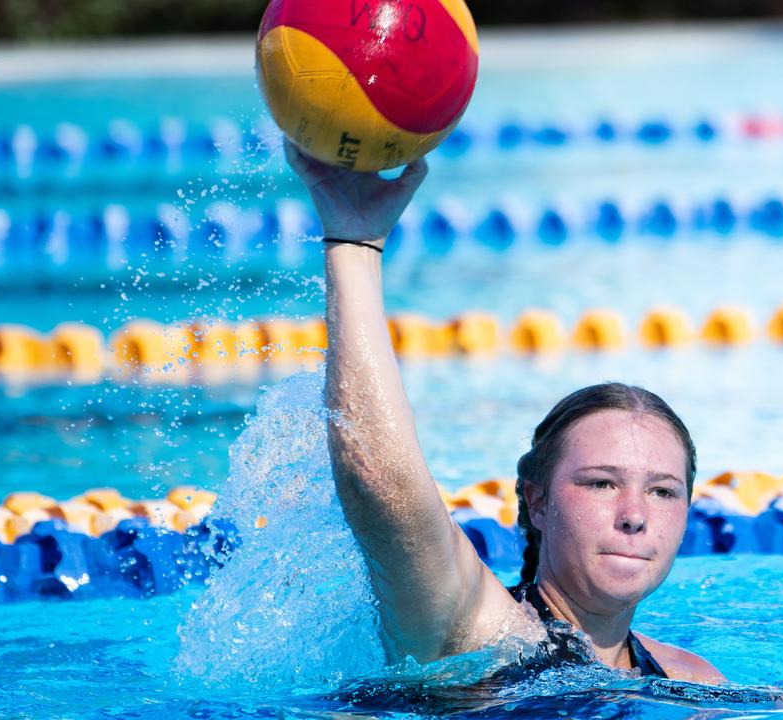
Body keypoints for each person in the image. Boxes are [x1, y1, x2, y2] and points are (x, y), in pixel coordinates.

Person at [285, 138, 726, 685]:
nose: (634, 515)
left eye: (662, 490)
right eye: (601, 484)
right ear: (536, 501)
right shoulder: (481, 634)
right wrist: (354, 244)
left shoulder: (693, 679)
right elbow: (384, 486)